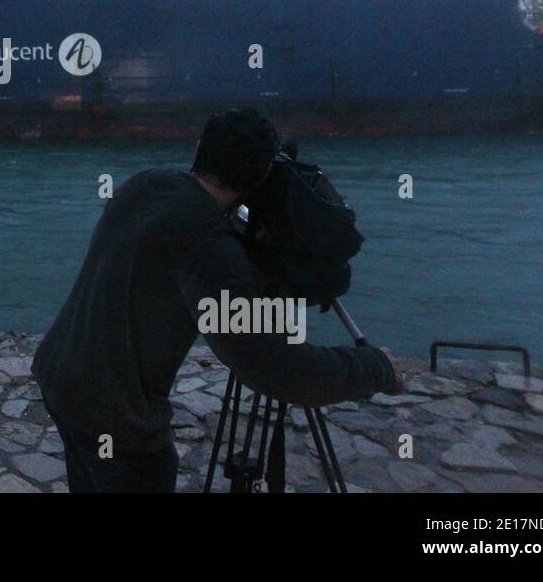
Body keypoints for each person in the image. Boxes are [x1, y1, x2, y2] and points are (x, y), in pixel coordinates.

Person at [31, 108, 403, 493]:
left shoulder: (146, 185)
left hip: (61, 379)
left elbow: (176, 245)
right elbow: (275, 368)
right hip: (116, 418)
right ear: (259, 177)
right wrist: (375, 367)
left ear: (199, 148)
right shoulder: (209, 248)